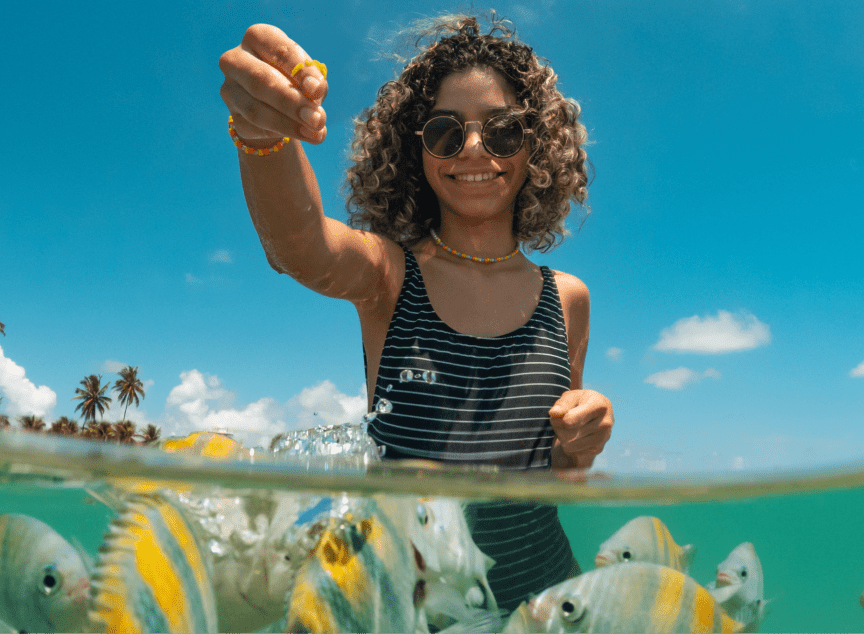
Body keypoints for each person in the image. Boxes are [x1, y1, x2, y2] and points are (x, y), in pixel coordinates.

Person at [218, 12, 614, 611]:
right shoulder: (389, 275)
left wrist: (583, 439)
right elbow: (300, 246)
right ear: (416, 151)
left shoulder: (568, 299)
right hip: (411, 609)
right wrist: (261, 134)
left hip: (550, 607)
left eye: (503, 130)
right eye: (446, 132)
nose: (474, 147)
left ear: (535, 144)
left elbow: (559, 470)